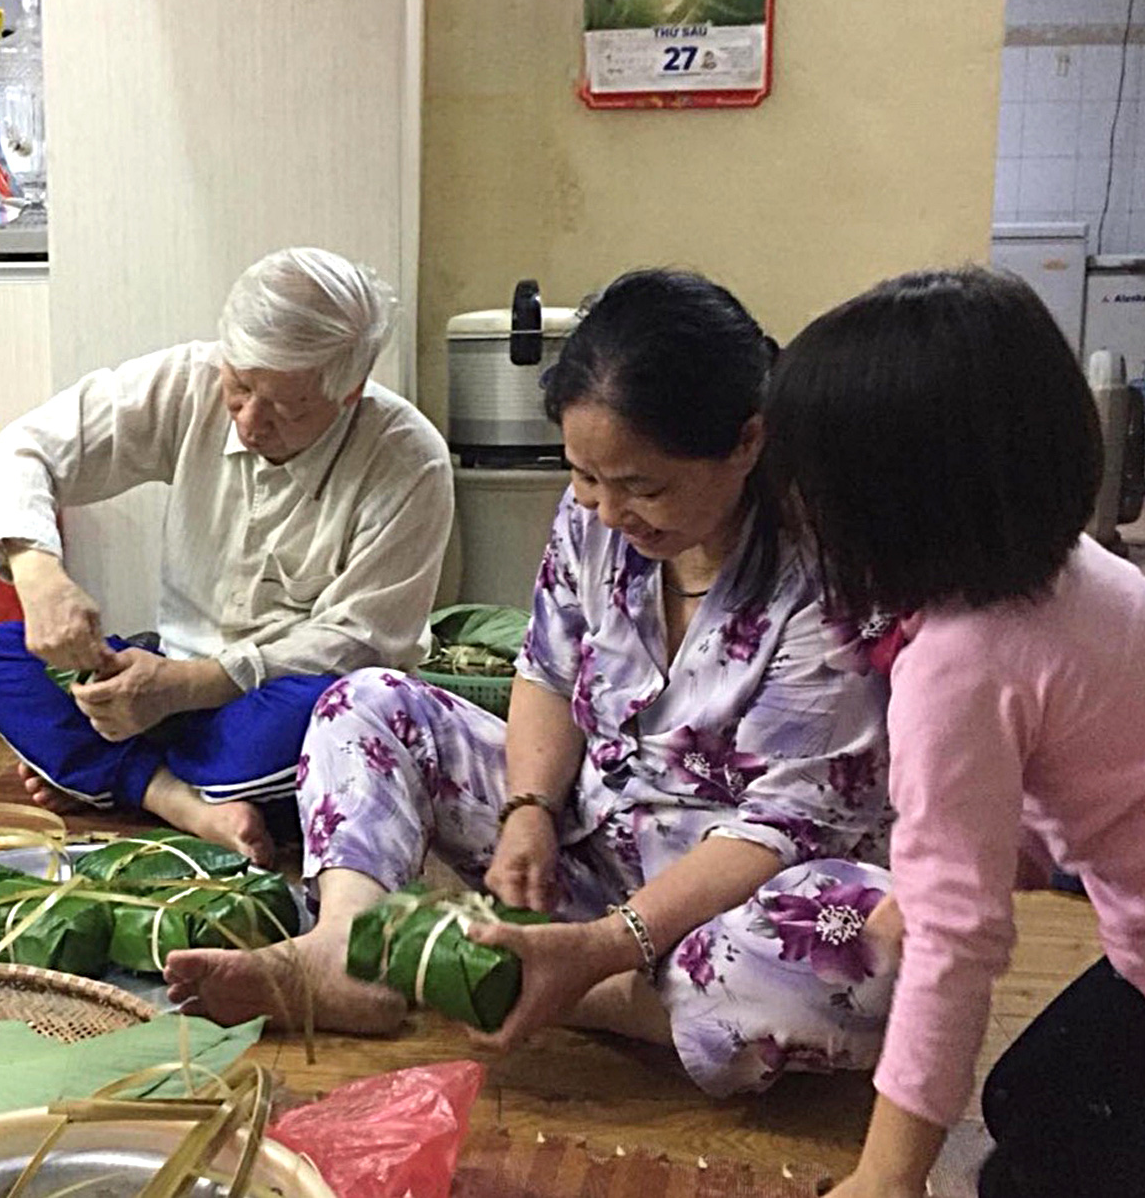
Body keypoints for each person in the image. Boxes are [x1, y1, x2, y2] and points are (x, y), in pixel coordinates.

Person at [167, 268, 900, 1097]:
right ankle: (347, 949)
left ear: (745, 442)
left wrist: (596, 947)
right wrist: (528, 812)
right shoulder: (594, 521)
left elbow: (782, 826)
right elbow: (547, 671)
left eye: (642, 486)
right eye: (586, 477)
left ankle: (572, 988)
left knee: (867, 951)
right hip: (590, 848)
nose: (608, 509)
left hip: (733, 897)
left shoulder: (829, 581)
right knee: (366, 701)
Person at [757, 267, 1145, 1198]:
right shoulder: (1067, 563)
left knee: (1032, 1173)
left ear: (892, 502)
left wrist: (887, 1175)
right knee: (1027, 1108)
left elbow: (957, 945)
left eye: (810, 490)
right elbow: (1091, 742)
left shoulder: (958, 664)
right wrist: (1000, 853)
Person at [0, 247, 453, 865]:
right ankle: (182, 802)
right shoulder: (189, 381)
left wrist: (190, 687)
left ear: (349, 392)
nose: (250, 421)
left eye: (285, 406)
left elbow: (359, 641)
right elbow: (25, 447)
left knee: (323, 719)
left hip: (273, 699)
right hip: (171, 667)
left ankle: (102, 773)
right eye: (240, 386)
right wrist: (38, 571)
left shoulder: (408, 459)